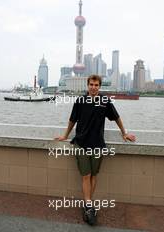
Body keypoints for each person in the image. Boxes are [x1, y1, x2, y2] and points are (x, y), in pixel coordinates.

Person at [55, 74, 136, 225]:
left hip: (98, 144)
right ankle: (89, 205)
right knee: (86, 175)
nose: (93, 87)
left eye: (96, 85)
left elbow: (116, 117)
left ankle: (88, 205)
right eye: (91, 84)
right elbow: (72, 119)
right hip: (81, 143)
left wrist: (124, 133)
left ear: (100, 86)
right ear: (88, 85)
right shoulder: (80, 101)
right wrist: (65, 135)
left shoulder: (105, 101)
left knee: (93, 175)